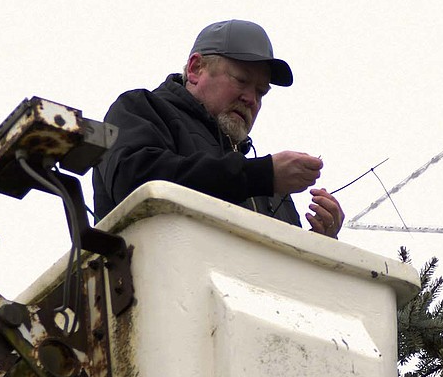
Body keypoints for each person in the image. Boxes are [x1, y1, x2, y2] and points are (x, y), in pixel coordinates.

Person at [93, 19, 344, 238]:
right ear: (195, 69)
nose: (251, 99)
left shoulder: (269, 190)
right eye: (241, 80)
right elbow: (137, 183)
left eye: (260, 92)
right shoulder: (141, 109)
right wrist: (262, 175)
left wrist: (319, 242)